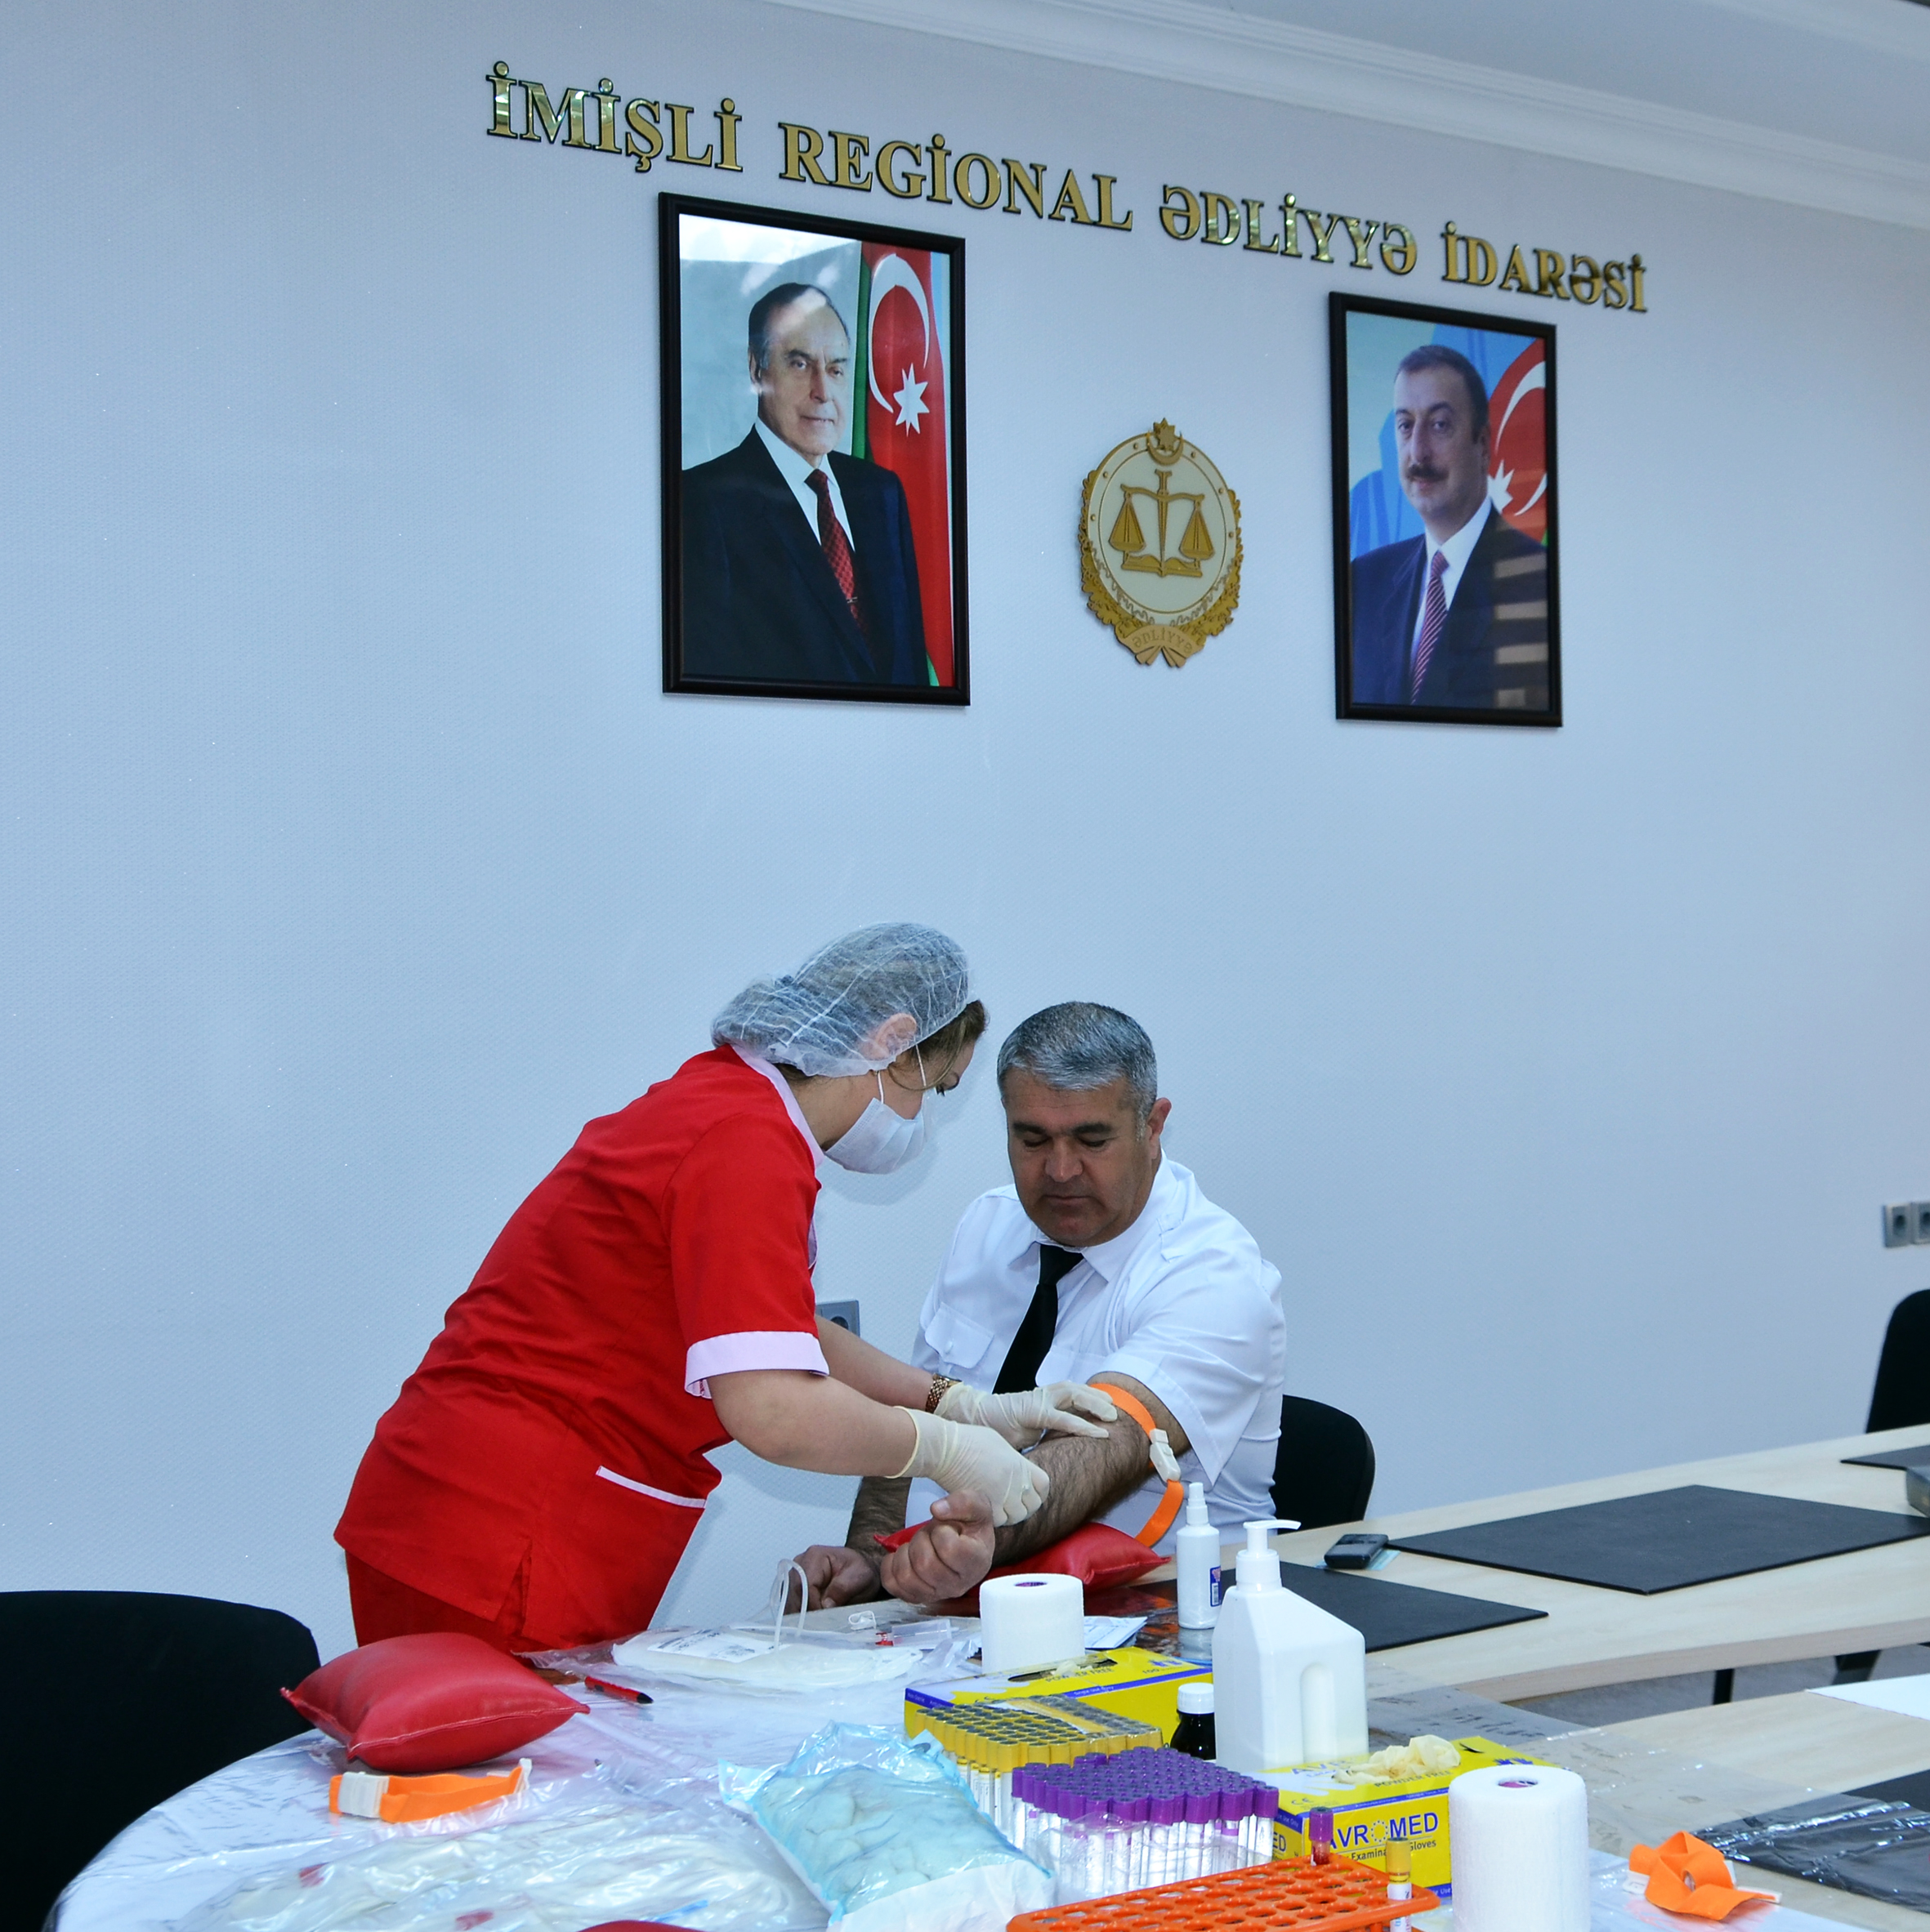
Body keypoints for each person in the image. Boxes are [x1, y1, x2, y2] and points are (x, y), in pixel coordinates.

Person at [334, 926, 1116, 1651]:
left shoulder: (731, 1104)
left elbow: (782, 1330)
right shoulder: (746, 1141)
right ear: (890, 1040)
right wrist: (940, 1449)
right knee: (497, 1760)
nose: (921, 1119)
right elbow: (772, 1408)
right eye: (935, 1088)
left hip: (481, 1510)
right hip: (500, 1531)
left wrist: (960, 1403)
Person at [792, 1002, 1286, 1608]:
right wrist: (874, 1561)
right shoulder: (988, 1224)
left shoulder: (1214, 1274)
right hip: (956, 1608)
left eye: (1092, 1140)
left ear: (1153, 1126)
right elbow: (921, 1407)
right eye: (1032, 1139)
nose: (1060, 1169)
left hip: (1145, 1614)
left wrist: (970, 1539)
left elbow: (1103, 1448)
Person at [681, 283, 928, 688]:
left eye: (836, 369)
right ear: (756, 370)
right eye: (799, 364)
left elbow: (911, 664)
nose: (823, 392)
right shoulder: (703, 502)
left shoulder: (881, 493)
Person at [1349, 345, 1551, 712]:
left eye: (1440, 425)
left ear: (1483, 444)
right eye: (1405, 425)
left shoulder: (1540, 583)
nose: (1418, 452)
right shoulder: (1364, 582)